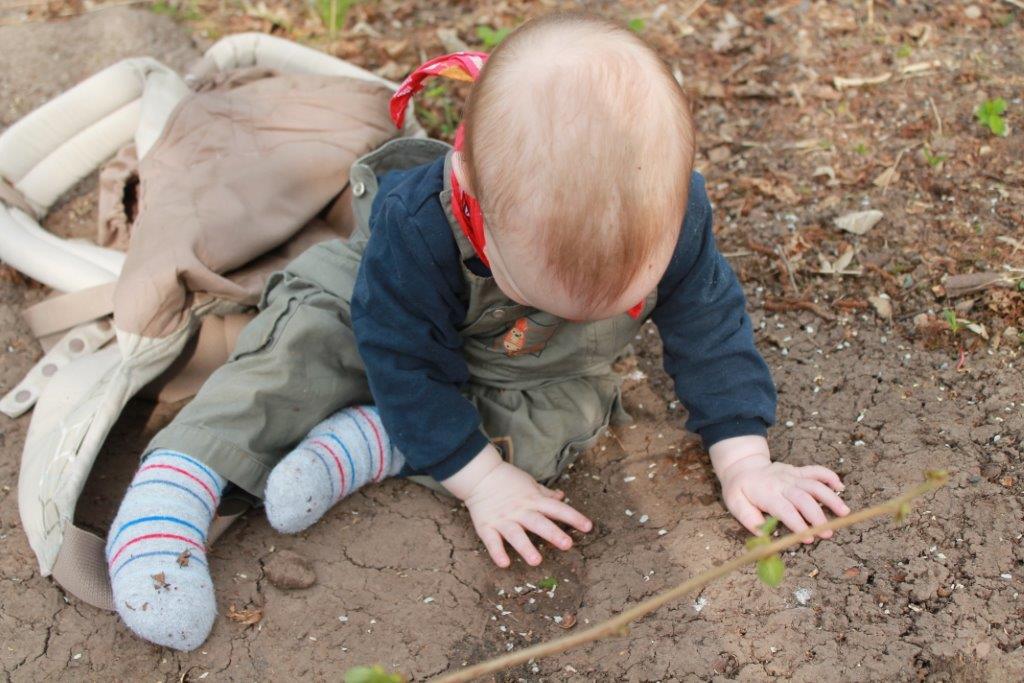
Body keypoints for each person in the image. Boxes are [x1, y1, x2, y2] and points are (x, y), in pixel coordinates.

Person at [104, 11, 849, 651]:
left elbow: (709, 323)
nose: (589, 311)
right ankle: (176, 489)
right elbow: (399, 355)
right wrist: (481, 481)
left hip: (528, 363)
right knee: (297, 341)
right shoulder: (417, 222)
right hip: (381, 312)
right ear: (469, 191)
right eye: (542, 284)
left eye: (624, 296)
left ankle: (376, 442)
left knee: (571, 414)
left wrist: (744, 456)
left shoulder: (676, 217)